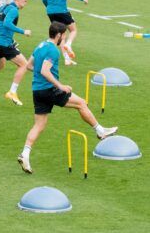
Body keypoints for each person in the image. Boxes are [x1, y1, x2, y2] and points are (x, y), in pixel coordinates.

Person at [18, 22, 117, 174]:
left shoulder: (40, 46)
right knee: (81, 103)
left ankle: (25, 154)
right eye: (63, 36)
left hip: (37, 91)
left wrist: (42, 76)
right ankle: (100, 131)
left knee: (39, 125)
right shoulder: (53, 50)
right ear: (58, 35)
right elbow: (45, 71)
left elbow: (29, 66)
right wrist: (61, 86)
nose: (64, 39)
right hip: (50, 90)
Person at [42, 0, 88, 66]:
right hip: (61, 10)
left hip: (50, 12)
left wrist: (51, 7)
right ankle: (68, 44)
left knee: (61, 35)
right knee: (73, 30)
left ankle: (67, 59)